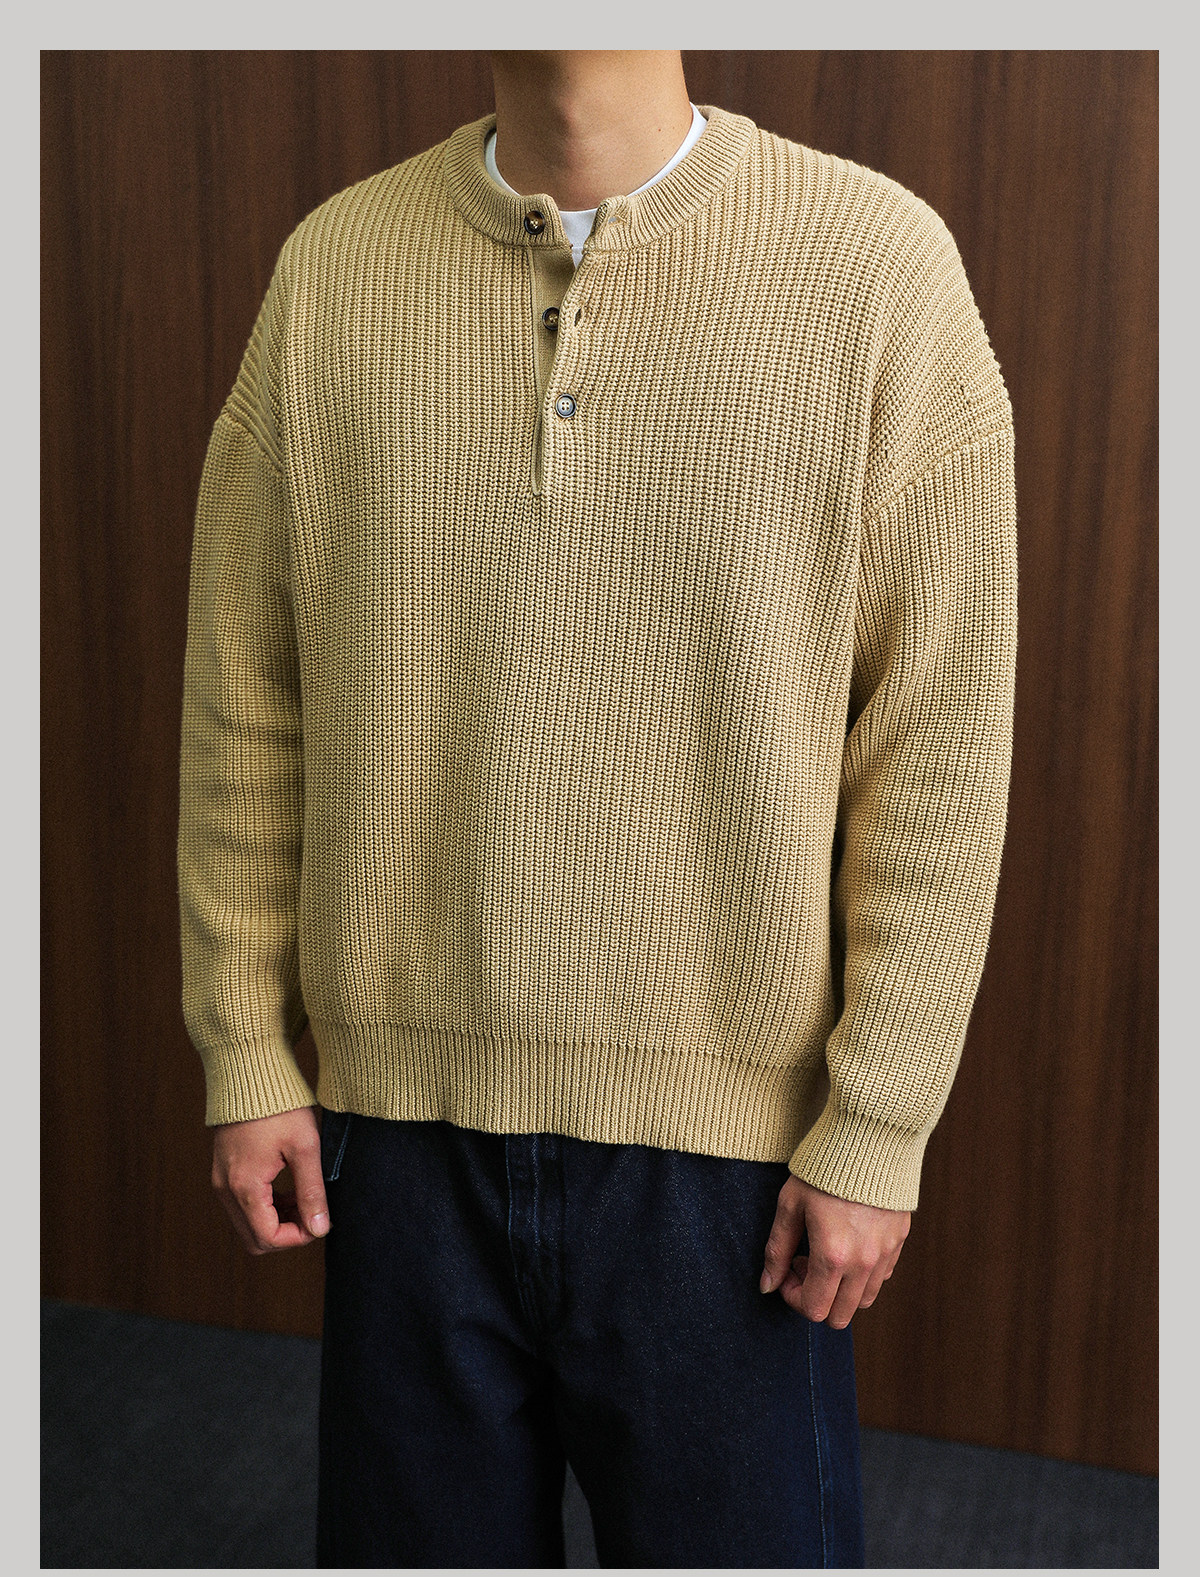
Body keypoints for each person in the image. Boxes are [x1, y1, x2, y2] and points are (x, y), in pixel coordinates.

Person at [178, 49, 1017, 1569]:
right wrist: (243, 1043)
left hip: (732, 1162)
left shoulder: (878, 269)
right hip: (399, 1133)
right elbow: (248, 697)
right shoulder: (331, 273)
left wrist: (878, 1121)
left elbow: (937, 744)